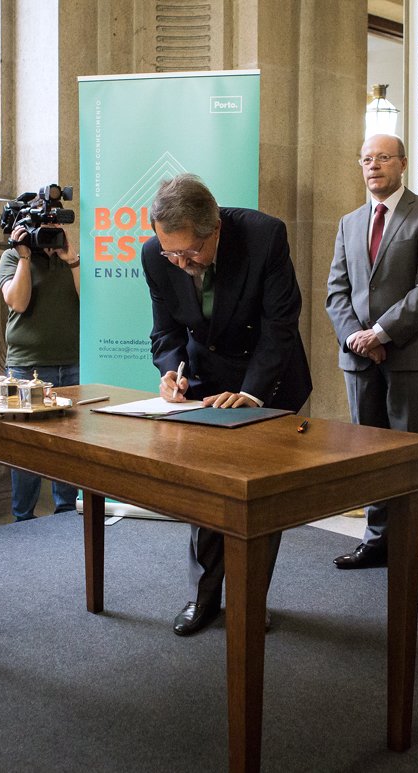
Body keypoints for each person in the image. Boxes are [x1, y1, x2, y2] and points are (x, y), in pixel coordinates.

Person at [142, 173, 312, 636]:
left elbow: (280, 325)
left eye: (190, 253)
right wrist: (171, 371)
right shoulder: (156, 254)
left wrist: (253, 394)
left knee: (259, 503)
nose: (181, 264)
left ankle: (249, 601)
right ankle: (203, 599)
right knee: (206, 496)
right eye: (171, 254)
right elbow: (165, 331)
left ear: (214, 228)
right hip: (207, 383)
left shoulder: (264, 236)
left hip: (268, 379)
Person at [325, 134, 418, 569]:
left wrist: (380, 334)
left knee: (407, 457)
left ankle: (405, 550)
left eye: (382, 158)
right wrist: (356, 339)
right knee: (370, 455)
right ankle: (376, 542)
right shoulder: (349, 222)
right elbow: (336, 291)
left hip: (411, 356)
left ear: (402, 163)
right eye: (366, 159)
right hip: (359, 360)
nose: (373, 166)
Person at [0, 205, 80, 521]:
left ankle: (66, 513)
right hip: (26, 367)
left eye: (53, 224)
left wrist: (72, 259)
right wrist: (24, 257)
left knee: (68, 445)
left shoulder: (70, 259)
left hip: (71, 363)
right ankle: (23, 518)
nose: (48, 231)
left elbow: (90, 300)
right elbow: (18, 302)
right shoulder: (11, 258)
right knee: (26, 447)